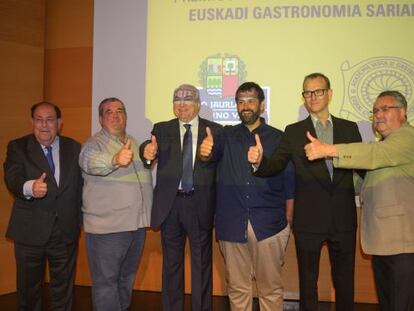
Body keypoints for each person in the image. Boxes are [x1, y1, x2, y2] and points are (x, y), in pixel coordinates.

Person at [248, 73, 363, 311]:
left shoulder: (349, 128)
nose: (313, 97)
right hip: (308, 219)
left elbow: (363, 168)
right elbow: (275, 165)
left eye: (318, 91)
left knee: (345, 282)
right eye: (307, 93)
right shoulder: (294, 131)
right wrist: (259, 161)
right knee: (308, 283)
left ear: (329, 94)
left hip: (343, 218)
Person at [304, 90, 414, 311]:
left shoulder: (406, 138)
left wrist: (328, 149)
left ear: (403, 113)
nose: (378, 115)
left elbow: (373, 154)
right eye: (375, 111)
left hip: (402, 244)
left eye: (385, 109)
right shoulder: (387, 144)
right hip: (385, 243)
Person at [199, 82, 295, 310]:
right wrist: (204, 154)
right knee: (237, 288)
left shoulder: (279, 138)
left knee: (270, 288)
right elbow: (209, 159)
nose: (246, 106)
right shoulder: (224, 135)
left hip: (270, 224)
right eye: (241, 102)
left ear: (262, 105)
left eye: (251, 101)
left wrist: (289, 220)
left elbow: (289, 181)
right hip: (231, 222)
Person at [139, 84, 222, 311]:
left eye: (188, 98)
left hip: (200, 204)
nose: (182, 103)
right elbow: (149, 149)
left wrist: (210, 153)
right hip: (171, 206)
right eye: (177, 99)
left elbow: (219, 161)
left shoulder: (214, 130)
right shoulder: (162, 128)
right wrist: (146, 153)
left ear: (198, 104)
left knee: (201, 264)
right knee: (171, 265)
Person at [3, 101, 82, 310]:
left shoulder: (74, 147)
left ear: (59, 123)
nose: (44, 125)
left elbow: (83, 185)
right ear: (32, 122)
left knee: (63, 292)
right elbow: (12, 178)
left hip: (65, 232)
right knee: (28, 293)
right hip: (30, 232)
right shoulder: (18, 147)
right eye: (39, 120)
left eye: (49, 120)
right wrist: (30, 187)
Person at [79, 97, 152, 311]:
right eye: (109, 112)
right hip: (108, 229)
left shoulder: (133, 142)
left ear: (126, 116)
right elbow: (88, 161)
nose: (115, 115)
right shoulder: (93, 144)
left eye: (120, 110)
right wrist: (113, 160)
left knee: (126, 279)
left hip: (136, 225)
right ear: (101, 119)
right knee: (106, 284)